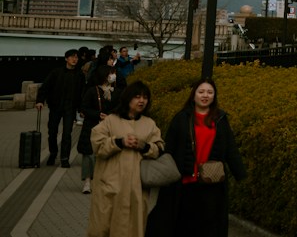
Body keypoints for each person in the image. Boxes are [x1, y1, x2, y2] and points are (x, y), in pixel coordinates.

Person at [152, 80, 246, 237]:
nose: (205, 96)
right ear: (193, 94)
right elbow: (170, 149)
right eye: (201, 92)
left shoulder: (220, 119)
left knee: (208, 228)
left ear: (214, 96)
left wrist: (240, 174)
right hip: (185, 183)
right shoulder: (181, 118)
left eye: (210, 92)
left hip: (211, 183)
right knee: (184, 227)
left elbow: (231, 148)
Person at [89, 81, 162, 237]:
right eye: (137, 97)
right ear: (128, 98)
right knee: (103, 228)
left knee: (133, 229)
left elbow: (159, 148)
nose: (141, 101)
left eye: (145, 97)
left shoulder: (149, 124)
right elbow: (97, 145)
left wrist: (144, 146)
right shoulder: (111, 120)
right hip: (110, 186)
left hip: (136, 189)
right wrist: (119, 142)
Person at [35, 47, 84, 168]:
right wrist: (40, 101)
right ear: (66, 58)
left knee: (67, 133)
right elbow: (45, 87)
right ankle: (53, 153)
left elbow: (82, 92)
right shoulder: (56, 72)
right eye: (72, 57)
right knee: (52, 132)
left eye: (76, 57)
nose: (74, 59)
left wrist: (81, 109)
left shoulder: (80, 75)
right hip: (56, 106)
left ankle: (64, 158)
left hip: (70, 107)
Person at [77, 66, 115, 194]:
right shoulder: (92, 91)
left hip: (109, 127)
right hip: (92, 125)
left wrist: (110, 116)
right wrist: (98, 114)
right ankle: (87, 181)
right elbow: (84, 107)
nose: (113, 76)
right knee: (89, 154)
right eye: (111, 74)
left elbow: (120, 107)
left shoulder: (116, 91)